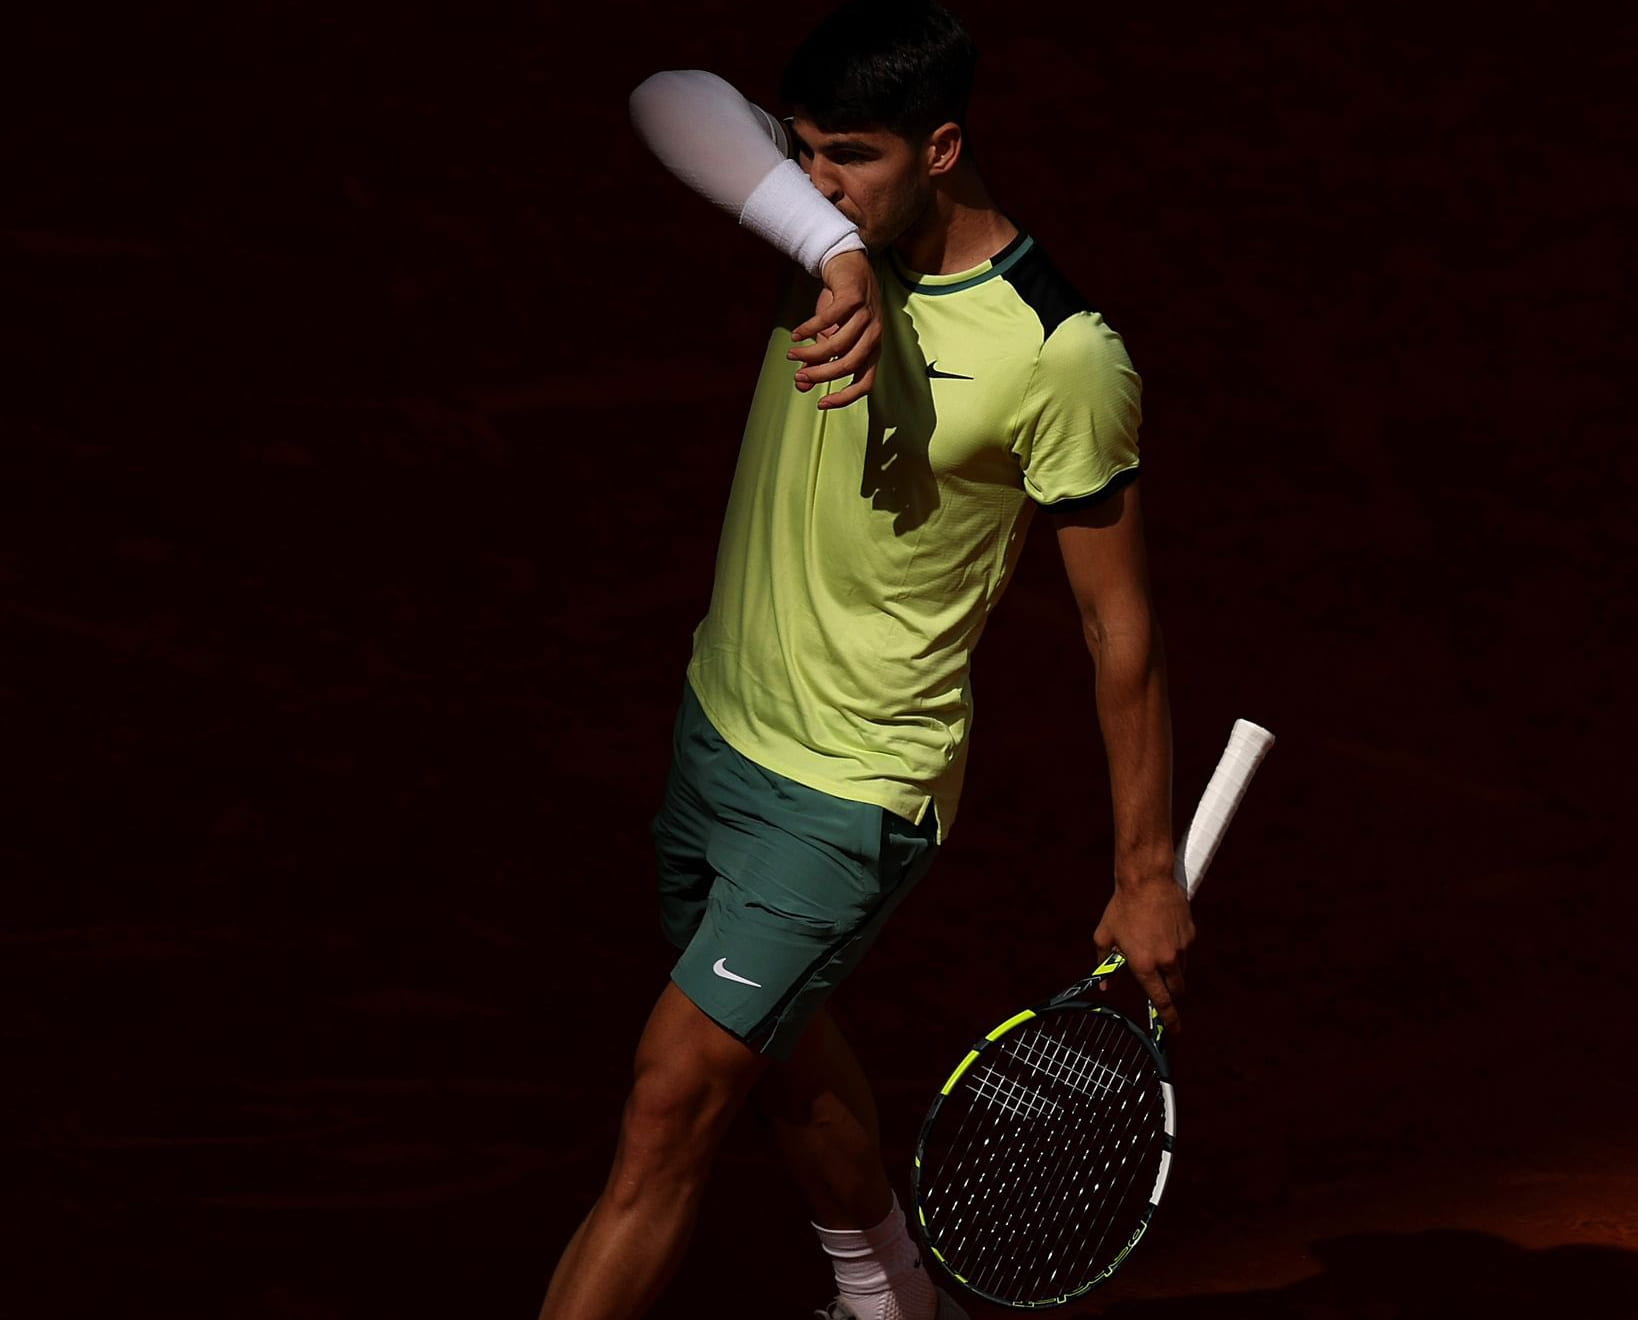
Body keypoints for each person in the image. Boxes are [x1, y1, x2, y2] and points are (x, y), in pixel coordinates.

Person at [538, 4, 1192, 1317]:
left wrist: (1144, 874)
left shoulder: (1061, 355)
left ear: (942, 147)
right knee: (776, 1052)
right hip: (719, 729)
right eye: (801, 152)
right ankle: (889, 1291)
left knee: (669, 1104)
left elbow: (1114, 626)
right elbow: (668, 92)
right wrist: (829, 245)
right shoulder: (828, 232)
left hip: (851, 787)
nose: (814, 179)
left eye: (850, 157)